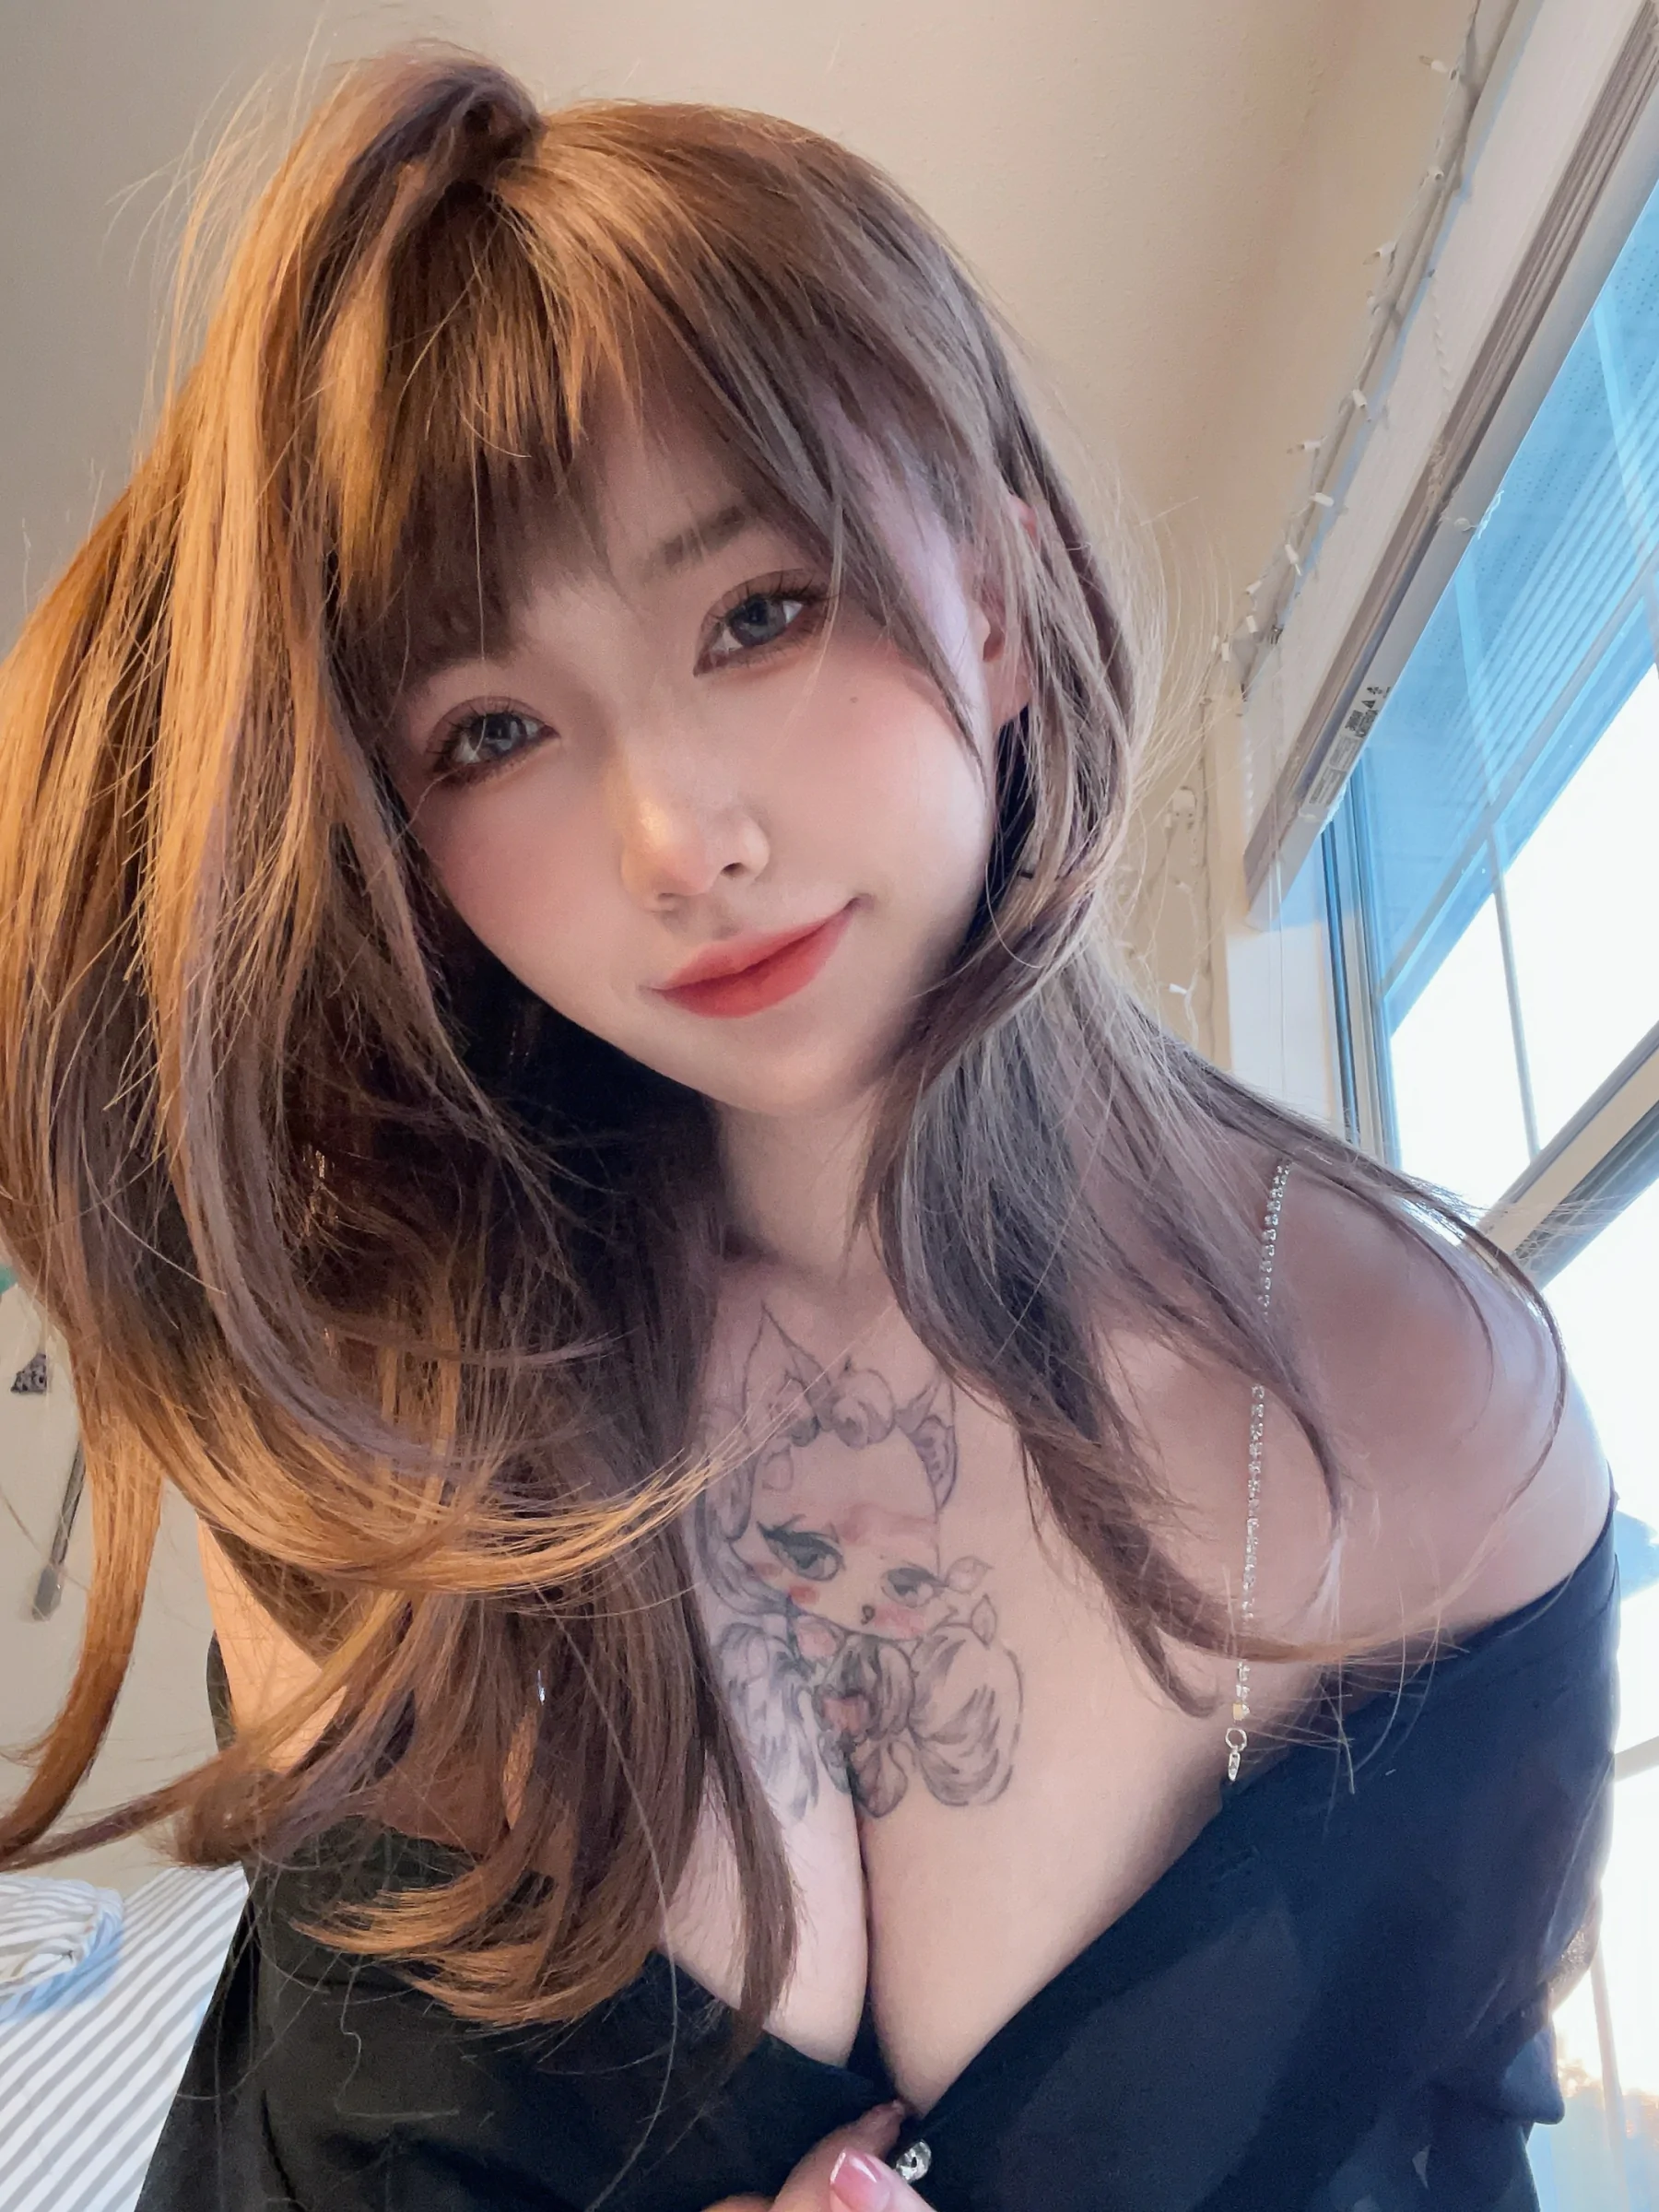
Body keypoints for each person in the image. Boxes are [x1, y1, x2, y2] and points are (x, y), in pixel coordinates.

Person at [0, 46, 1618, 2212]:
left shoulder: (1434, 1418)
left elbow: (1442, 2140)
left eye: (758, 611)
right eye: (492, 729)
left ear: (1001, 603)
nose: (678, 844)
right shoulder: (379, 1402)